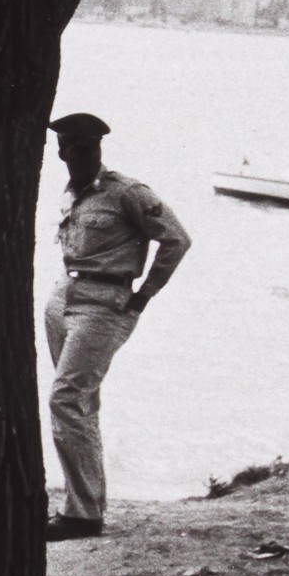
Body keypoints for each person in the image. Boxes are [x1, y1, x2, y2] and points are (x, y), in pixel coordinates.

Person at [42, 112, 191, 542]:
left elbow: (177, 238)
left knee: (67, 399)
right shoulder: (73, 193)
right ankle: (80, 502)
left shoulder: (127, 193)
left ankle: (83, 515)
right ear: (61, 151)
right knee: (78, 402)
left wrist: (144, 296)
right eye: (73, 146)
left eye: (89, 145)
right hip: (64, 297)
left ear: (100, 148)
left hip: (105, 304)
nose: (81, 153)